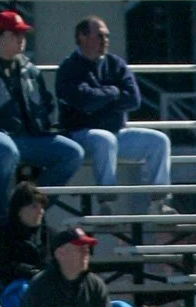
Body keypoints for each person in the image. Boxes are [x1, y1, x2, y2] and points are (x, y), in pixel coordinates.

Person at [0, 8, 84, 222]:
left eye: (22, 34)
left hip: (28, 137)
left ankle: (29, 207)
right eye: (15, 34)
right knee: (5, 149)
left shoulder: (30, 70)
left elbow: (48, 104)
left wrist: (46, 120)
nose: (22, 39)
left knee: (72, 153)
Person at [54, 14, 171, 199]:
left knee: (159, 140)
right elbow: (84, 102)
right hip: (80, 135)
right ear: (82, 37)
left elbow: (133, 100)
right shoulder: (69, 68)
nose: (105, 40)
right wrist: (114, 93)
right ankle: (106, 203)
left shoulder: (116, 64)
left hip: (116, 133)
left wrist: (99, 98)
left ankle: (160, 201)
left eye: (106, 36)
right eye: (100, 35)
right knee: (104, 139)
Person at [0, 182, 51, 307]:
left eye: (42, 207)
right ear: (19, 210)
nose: (41, 211)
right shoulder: (2, 231)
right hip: (11, 288)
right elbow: (3, 266)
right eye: (34, 207)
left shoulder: (47, 233)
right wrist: (32, 273)